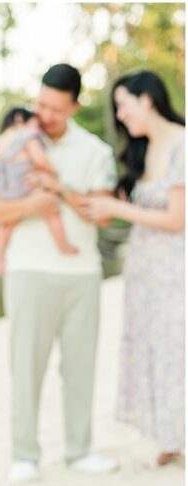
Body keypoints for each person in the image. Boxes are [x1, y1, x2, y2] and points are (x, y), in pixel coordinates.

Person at [0, 63, 120, 482]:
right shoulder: (12, 140)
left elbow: (102, 214)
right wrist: (29, 207)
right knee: (26, 364)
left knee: (80, 366)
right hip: (27, 271)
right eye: (40, 103)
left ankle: (79, 451)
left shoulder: (95, 152)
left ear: (75, 106)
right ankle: (25, 455)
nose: (45, 114)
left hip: (82, 273)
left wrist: (60, 191)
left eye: (56, 107)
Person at [83, 71, 185, 466]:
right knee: (153, 346)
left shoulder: (182, 145)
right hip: (143, 269)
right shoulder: (142, 152)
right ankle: (169, 435)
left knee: (179, 348)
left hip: (176, 269)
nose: (121, 115)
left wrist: (117, 208)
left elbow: (177, 219)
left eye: (124, 104)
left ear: (148, 99)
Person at [0, 106, 78, 276]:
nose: (39, 129)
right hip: (24, 183)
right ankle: (63, 245)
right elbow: (40, 160)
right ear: (20, 119)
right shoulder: (27, 137)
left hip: (2, 189)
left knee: (5, 223)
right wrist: (51, 172)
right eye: (36, 124)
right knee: (51, 211)